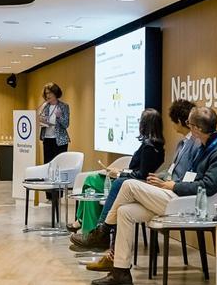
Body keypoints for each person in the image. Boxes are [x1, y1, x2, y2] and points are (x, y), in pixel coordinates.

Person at [90, 106, 217, 285]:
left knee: (128, 185)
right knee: (124, 212)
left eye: (190, 125)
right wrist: (166, 182)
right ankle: (121, 272)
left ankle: (104, 231)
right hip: (180, 197)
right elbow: (189, 176)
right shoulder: (204, 146)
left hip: (195, 205)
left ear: (198, 129)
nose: (189, 129)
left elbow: (207, 186)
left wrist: (172, 185)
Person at [72, 101, 194, 252]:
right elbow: (170, 171)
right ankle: (96, 233)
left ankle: (98, 229)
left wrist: (120, 173)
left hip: (169, 192)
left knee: (114, 183)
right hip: (160, 185)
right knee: (101, 187)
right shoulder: (178, 144)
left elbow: (145, 173)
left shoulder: (154, 146)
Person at [37, 83, 71, 163]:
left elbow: (66, 124)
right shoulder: (45, 106)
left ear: (55, 93)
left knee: (59, 164)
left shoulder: (63, 106)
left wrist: (59, 117)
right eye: (46, 93)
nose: (47, 95)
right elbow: (40, 118)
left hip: (60, 141)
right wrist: (41, 120)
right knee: (48, 164)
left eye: (50, 93)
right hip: (47, 139)